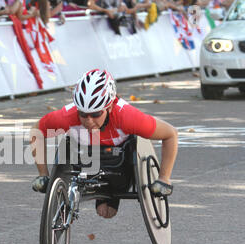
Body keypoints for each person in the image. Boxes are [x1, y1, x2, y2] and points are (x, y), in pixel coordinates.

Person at [30, 69, 178, 219]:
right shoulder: (67, 116)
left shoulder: (127, 117)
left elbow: (170, 134)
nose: (89, 121)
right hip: (86, 160)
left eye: (95, 114)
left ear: (109, 107)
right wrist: (43, 174)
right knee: (105, 212)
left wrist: (164, 178)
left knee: (108, 211)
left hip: (120, 165)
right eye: (83, 114)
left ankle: (110, 195)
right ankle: (100, 194)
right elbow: (36, 132)